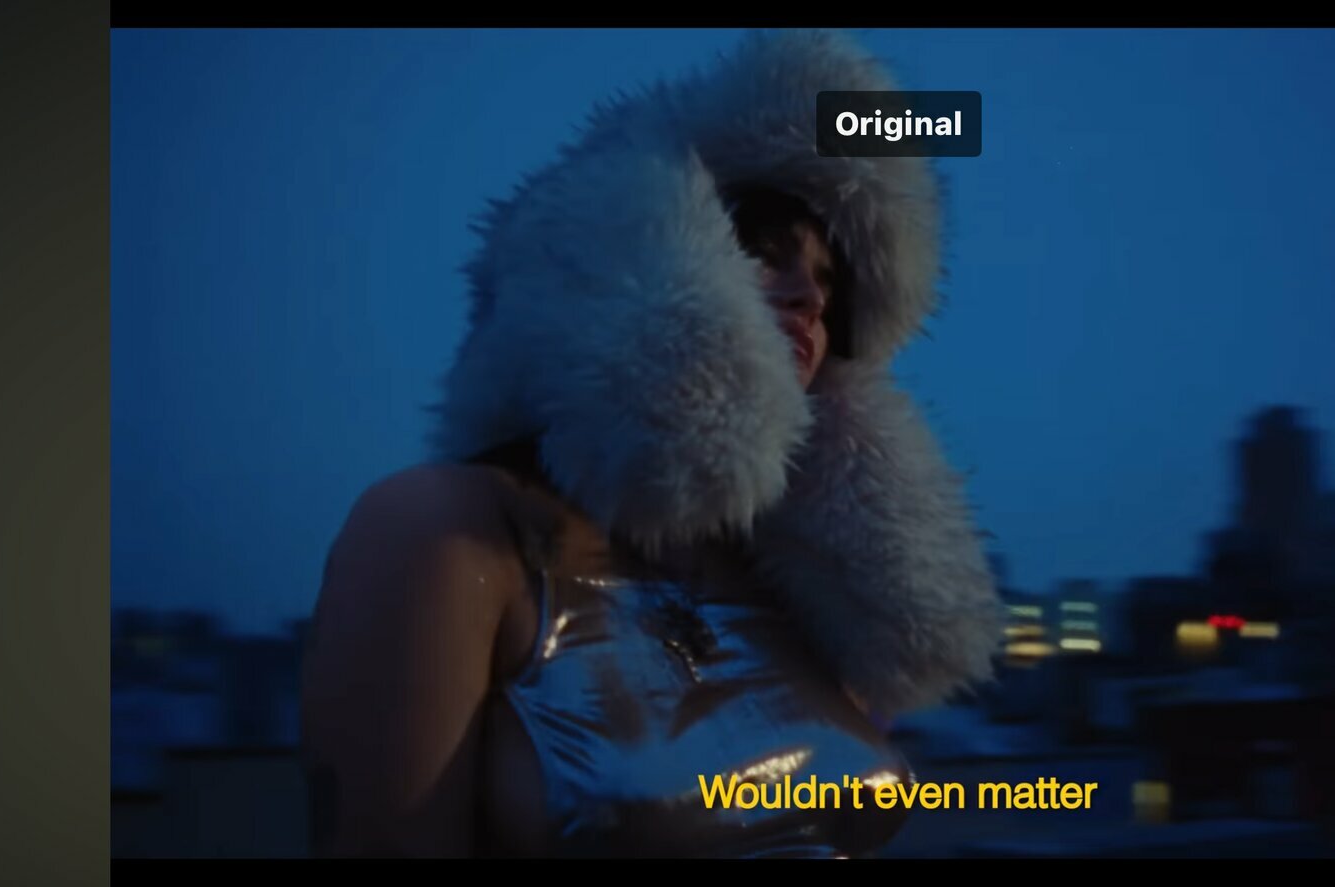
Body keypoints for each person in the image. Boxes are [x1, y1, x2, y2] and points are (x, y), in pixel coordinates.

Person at [298, 29, 1003, 859]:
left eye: (828, 280)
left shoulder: (801, 582)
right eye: (761, 250)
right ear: (642, 255)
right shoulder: (449, 531)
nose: (810, 296)